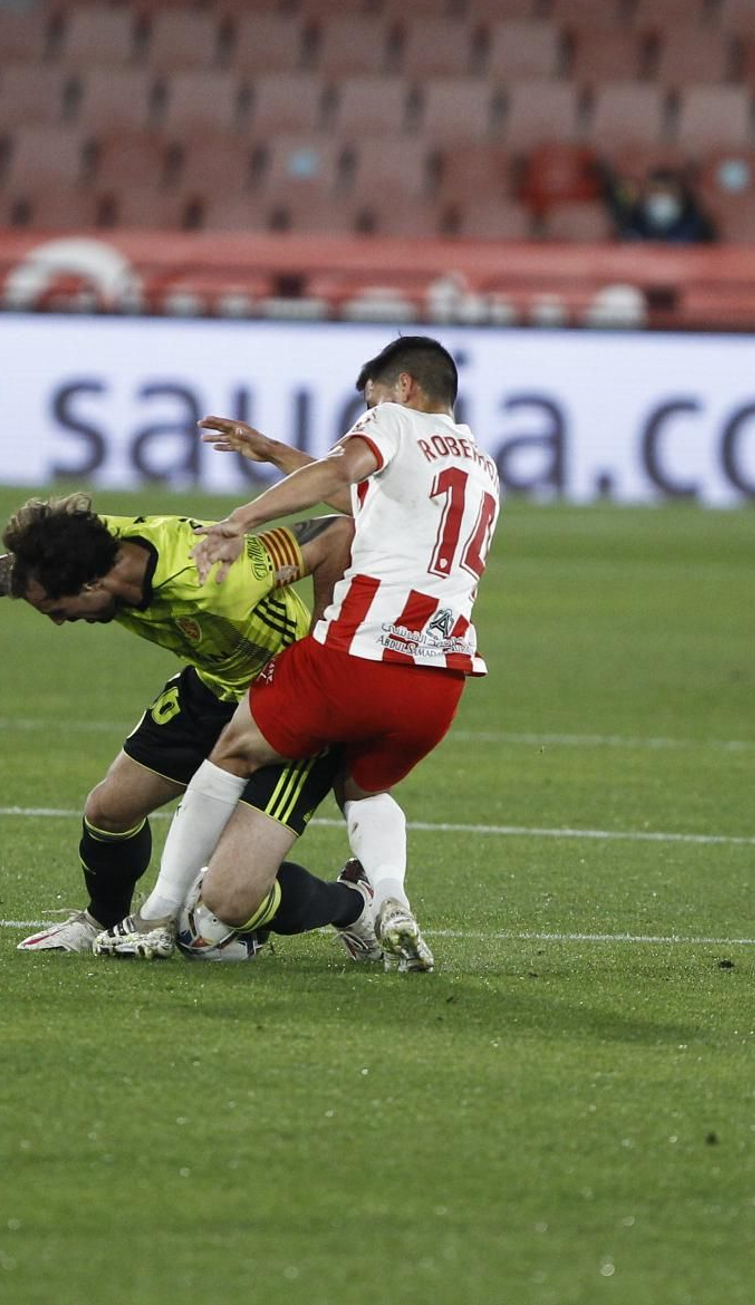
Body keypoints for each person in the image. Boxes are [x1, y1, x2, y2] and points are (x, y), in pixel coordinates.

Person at [0, 494, 389, 960]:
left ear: (91, 587)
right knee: (110, 811)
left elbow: (336, 532)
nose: (58, 623)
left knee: (231, 900)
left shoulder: (207, 575)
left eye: (57, 611)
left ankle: (354, 906)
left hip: (287, 704)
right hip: (212, 686)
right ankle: (103, 923)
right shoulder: (75, 552)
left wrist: (328, 647)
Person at [95, 336, 499, 973]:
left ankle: (154, 915)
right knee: (362, 789)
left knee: (231, 746)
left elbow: (340, 475)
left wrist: (240, 520)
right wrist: (274, 453)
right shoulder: (478, 462)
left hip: (358, 657)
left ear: (405, 388)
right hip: (441, 678)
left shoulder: (392, 420)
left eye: (369, 398)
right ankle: (388, 898)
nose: (362, 415)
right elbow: (364, 498)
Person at [601, 162, 717, 245]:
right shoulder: (634, 225)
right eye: (656, 191)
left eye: (667, 191)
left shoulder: (696, 227)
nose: (661, 197)